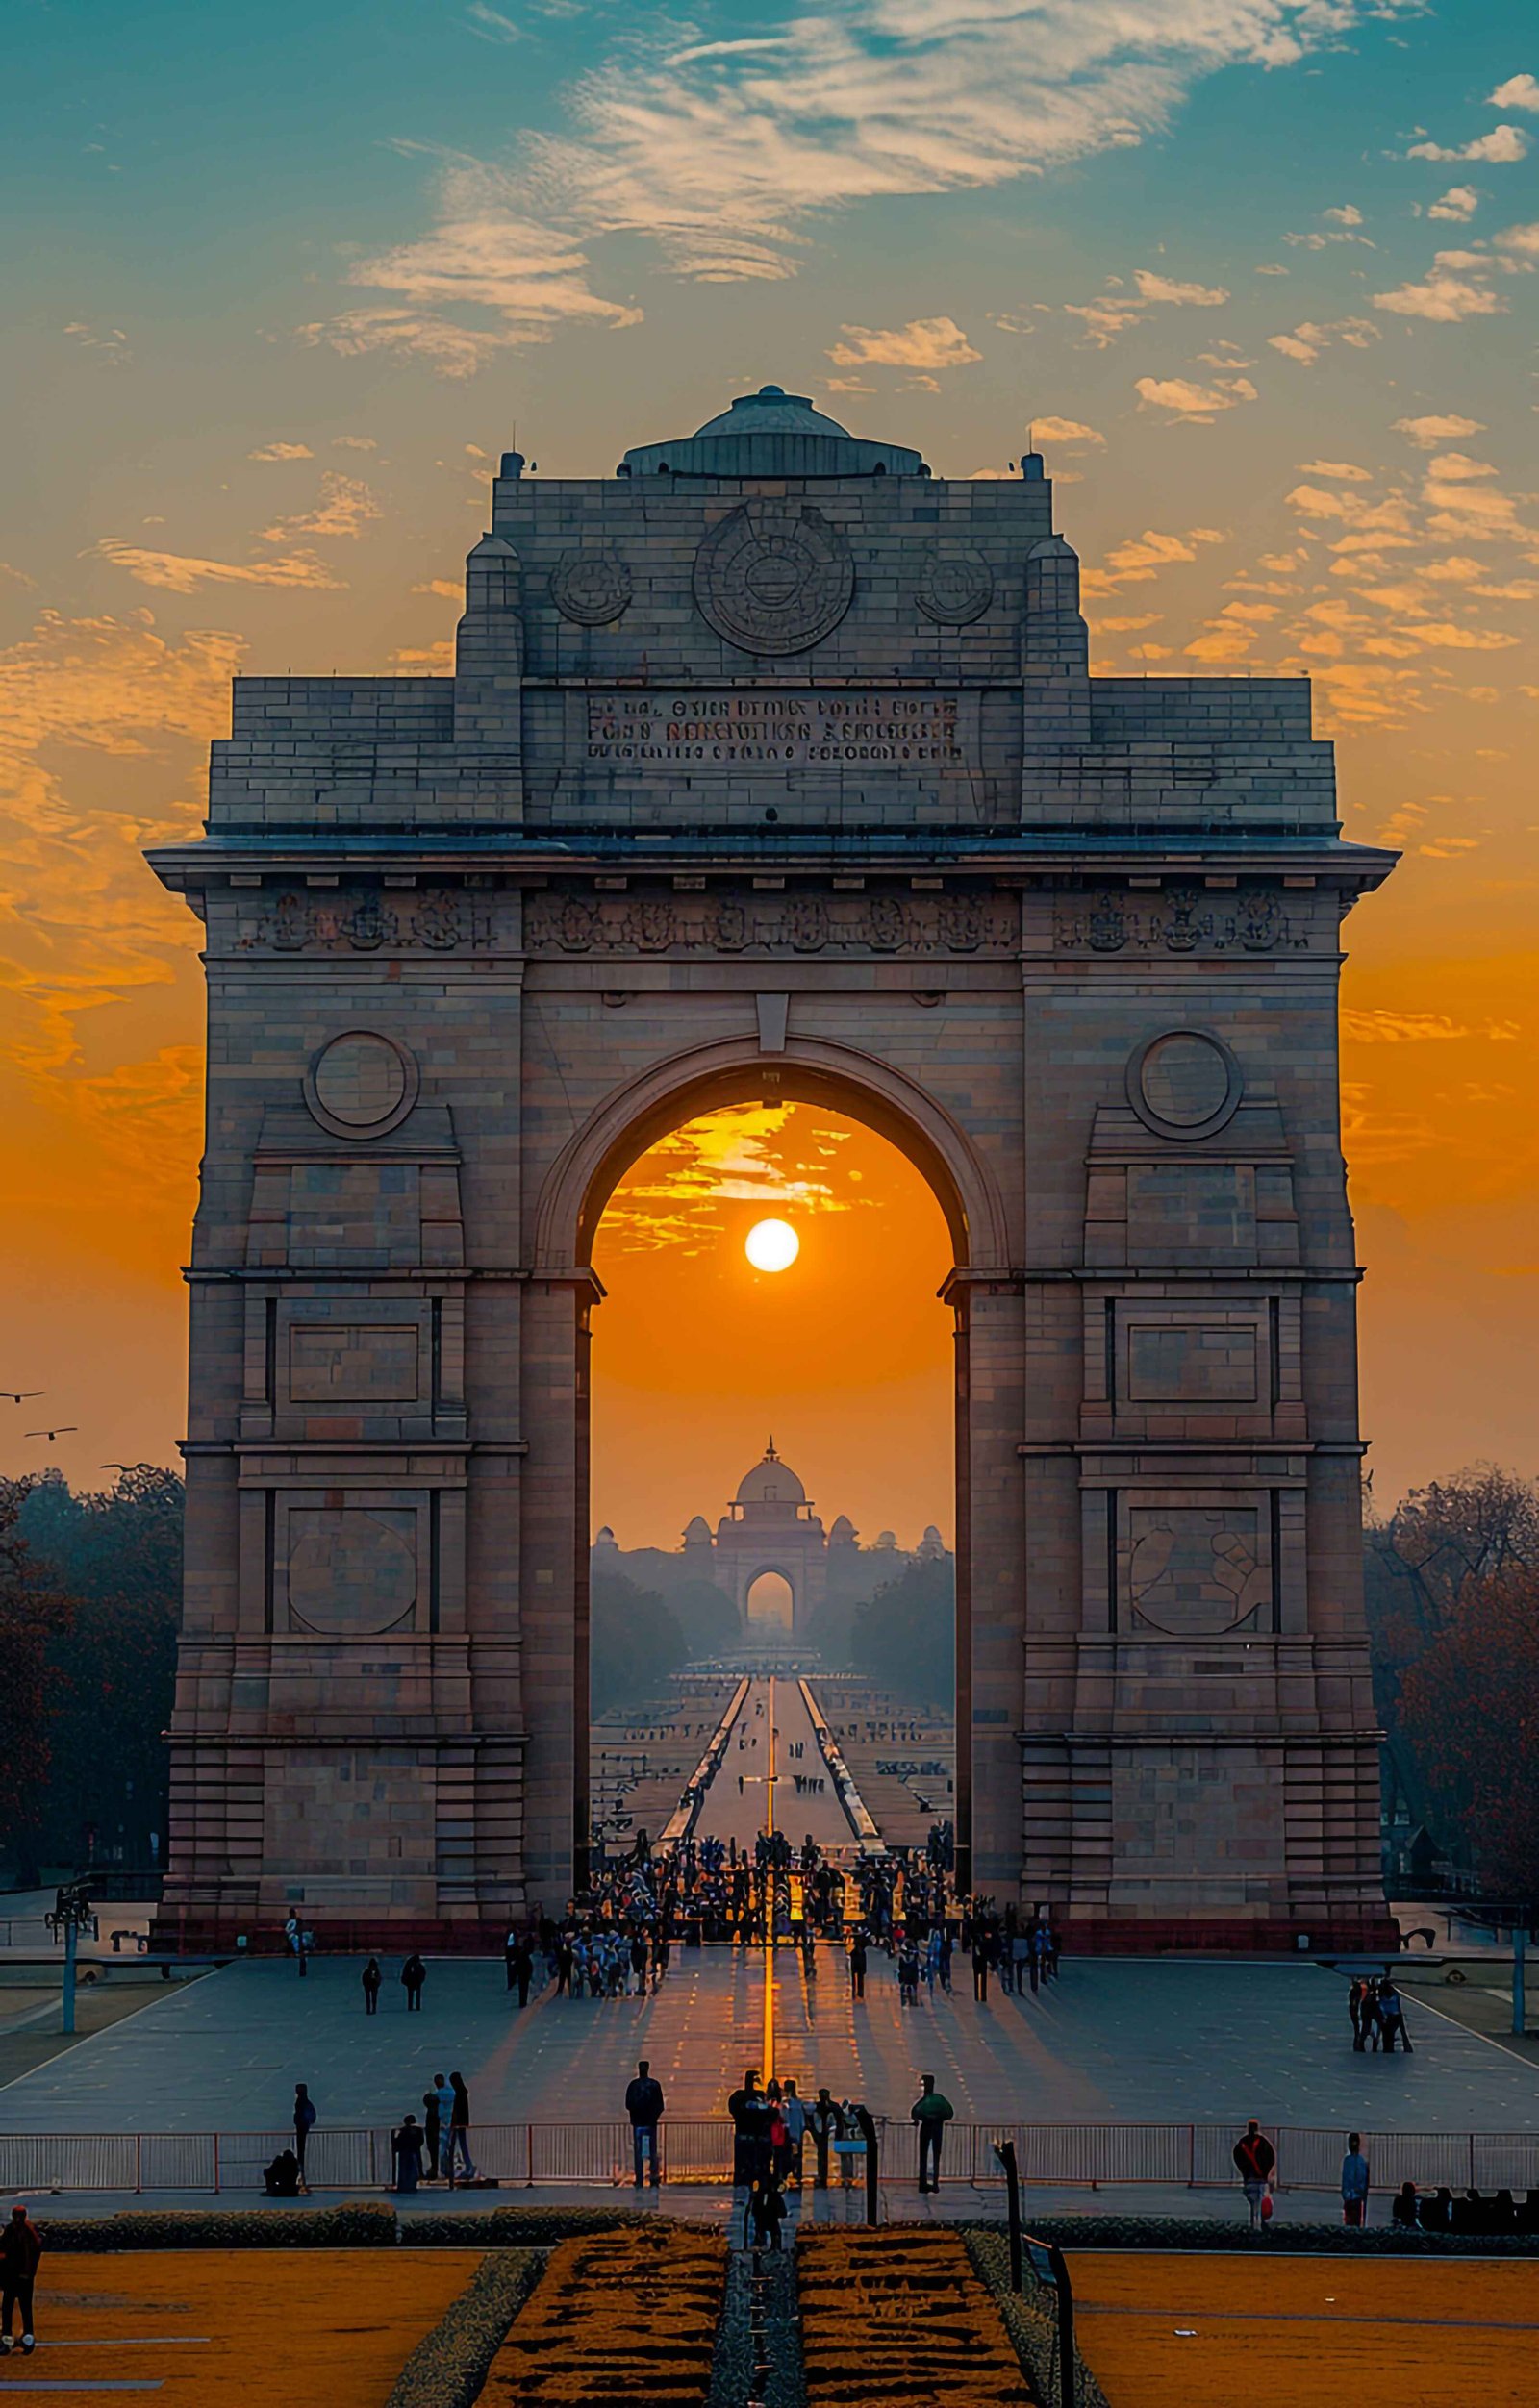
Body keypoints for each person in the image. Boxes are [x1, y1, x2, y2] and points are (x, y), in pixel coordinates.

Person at [1, 2204, 42, 2356]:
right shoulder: (29, 2231)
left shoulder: (12, 2230)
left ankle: (7, 2339)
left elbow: (3, 2249)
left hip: (14, 2277)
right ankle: (27, 2339)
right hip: (23, 2278)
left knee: (8, 2307)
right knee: (25, 2309)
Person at [912, 2073, 955, 2194]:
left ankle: (924, 2183)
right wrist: (938, 2118)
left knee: (924, 2156)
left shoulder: (926, 2101)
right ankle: (934, 2183)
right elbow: (950, 2113)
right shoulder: (939, 2100)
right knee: (936, 2156)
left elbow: (915, 2112)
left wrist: (924, 2118)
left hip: (927, 2128)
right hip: (937, 2129)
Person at [625, 2059, 665, 2190]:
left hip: (638, 2123)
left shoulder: (633, 2085)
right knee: (652, 2151)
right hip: (650, 2123)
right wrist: (653, 2117)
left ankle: (640, 2178)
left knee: (639, 2153)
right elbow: (660, 2105)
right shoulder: (654, 2085)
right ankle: (653, 2177)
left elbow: (628, 2104)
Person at [1233, 2119, 1275, 2230]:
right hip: (1262, 2179)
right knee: (1261, 2203)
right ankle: (1260, 2226)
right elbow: (1271, 2158)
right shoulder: (1263, 2142)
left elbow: (1237, 2157)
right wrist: (1267, 2174)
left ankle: (1254, 2225)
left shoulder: (1242, 2143)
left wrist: (1245, 2172)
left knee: (1253, 2204)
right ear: (1257, 2128)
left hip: (1249, 2179)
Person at [809, 2088, 844, 2190]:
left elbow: (811, 2121)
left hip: (822, 2133)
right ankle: (825, 2177)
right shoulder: (833, 2106)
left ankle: (822, 2177)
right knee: (824, 2156)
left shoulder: (817, 2107)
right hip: (827, 2133)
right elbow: (840, 2119)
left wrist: (814, 2133)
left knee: (821, 2156)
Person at [444, 2072, 476, 2185]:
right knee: (462, 2146)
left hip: (458, 2124)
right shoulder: (463, 2093)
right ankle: (468, 2166)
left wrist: (453, 2124)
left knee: (455, 2146)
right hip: (462, 2123)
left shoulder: (459, 2095)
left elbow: (456, 2112)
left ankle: (467, 2167)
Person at [779, 2078, 809, 2188]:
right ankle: (797, 2176)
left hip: (787, 2135)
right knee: (797, 2156)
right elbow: (802, 2121)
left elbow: (783, 2119)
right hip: (797, 2135)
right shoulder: (799, 2104)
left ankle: (786, 2175)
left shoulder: (785, 2104)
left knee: (786, 2156)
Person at [747, 2173, 787, 2251]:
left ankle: (771, 2248)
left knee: (773, 2235)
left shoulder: (771, 2197)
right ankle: (771, 2248)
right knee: (773, 2235)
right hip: (765, 2221)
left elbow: (782, 2213)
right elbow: (783, 2213)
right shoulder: (763, 2196)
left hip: (765, 2221)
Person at [1340, 2132, 1370, 2228]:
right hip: (1357, 2196)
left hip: (1349, 2196)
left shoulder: (1347, 2161)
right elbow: (1362, 2178)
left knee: (1349, 2222)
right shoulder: (1361, 2161)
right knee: (1356, 2221)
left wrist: (1345, 2193)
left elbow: (1345, 2178)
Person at [391, 2113, 425, 2195]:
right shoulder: (419, 2130)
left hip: (404, 2152)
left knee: (404, 2170)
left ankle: (404, 2187)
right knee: (413, 2170)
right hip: (414, 2151)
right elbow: (421, 2141)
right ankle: (411, 2186)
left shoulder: (403, 2131)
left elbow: (398, 2142)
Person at [1377, 1978, 1412, 2052]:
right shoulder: (1390, 1993)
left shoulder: (1387, 1993)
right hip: (1391, 2016)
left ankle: (1388, 2048)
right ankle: (1388, 2048)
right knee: (1389, 2034)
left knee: (1388, 2034)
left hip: (1391, 2016)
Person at [292, 2083, 316, 2188]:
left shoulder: (300, 2102)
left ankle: (300, 2175)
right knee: (300, 2152)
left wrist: (298, 2121)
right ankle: (301, 2174)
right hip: (304, 2127)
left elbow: (299, 2116)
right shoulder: (306, 2102)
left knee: (300, 2151)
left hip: (301, 2129)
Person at [421, 2088, 442, 2181]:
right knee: (434, 2154)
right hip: (434, 2135)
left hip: (432, 2135)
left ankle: (434, 2171)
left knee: (433, 2154)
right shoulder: (436, 2110)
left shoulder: (432, 2112)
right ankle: (434, 2170)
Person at [510, 1939, 535, 2008]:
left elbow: (517, 1966)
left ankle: (522, 2002)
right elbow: (529, 1966)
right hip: (524, 1974)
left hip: (522, 1974)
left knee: (522, 1989)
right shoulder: (524, 1957)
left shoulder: (521, 1956)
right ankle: (523, 2002)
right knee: (524, 1989)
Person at [848, 1934, 867, 2000]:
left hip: (858, 1967)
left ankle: (858, 1993)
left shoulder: (854, 1952)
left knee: (858, 1980)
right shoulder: (860, 1952)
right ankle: (858, 1993)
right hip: (858, 1967)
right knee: (858, 1981)